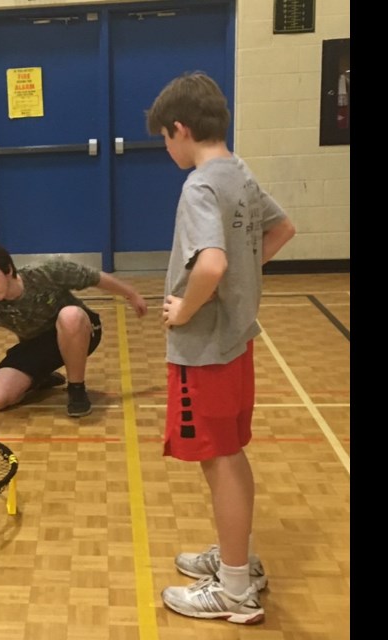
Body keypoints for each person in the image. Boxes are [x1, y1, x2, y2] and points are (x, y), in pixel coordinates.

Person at [146, 71, 296, 624]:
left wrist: (185, 307)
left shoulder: (201, 185)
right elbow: (283, 231)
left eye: (166, 139)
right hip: (236, 344)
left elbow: (210, 262)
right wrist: (237, 283)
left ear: (181, 129)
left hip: (205, 349)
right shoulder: (240, 173)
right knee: (231, 454)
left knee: (219, 461)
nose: (167, 149)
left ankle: (234, 589)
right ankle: (238, 560)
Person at [0, 242, 148, 417]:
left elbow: (93, 277)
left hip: (81, 330)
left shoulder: (46, 274)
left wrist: (132, 294)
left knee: (70, 315)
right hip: (38, 346)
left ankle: (76, 389)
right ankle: (40, 376)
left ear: (8, 270)